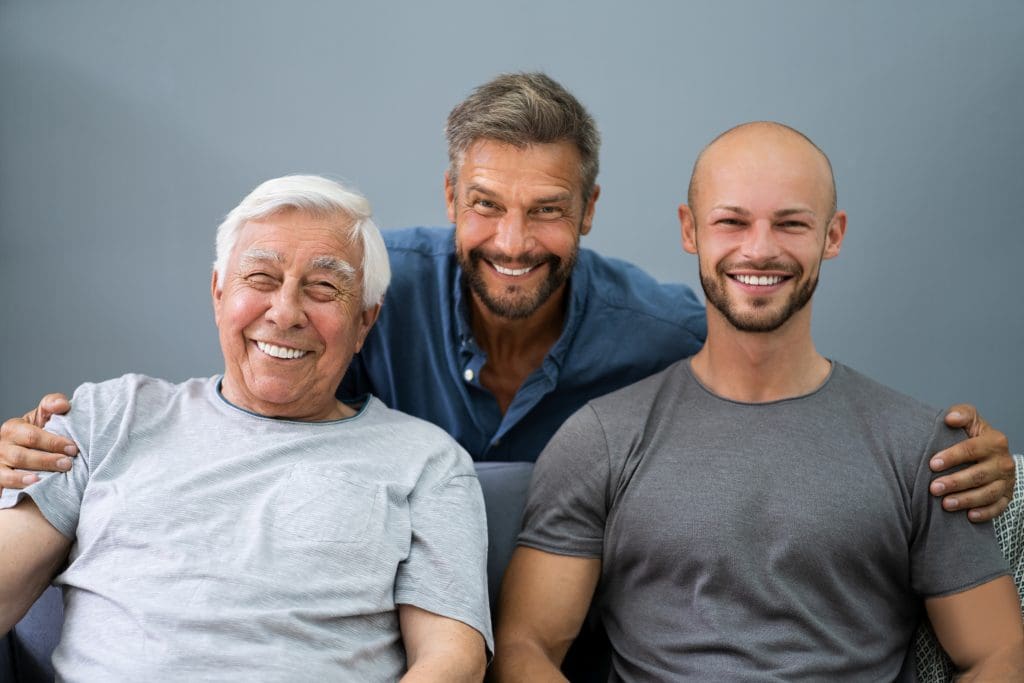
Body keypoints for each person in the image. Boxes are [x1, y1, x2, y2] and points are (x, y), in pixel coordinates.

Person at [0, 74, 1014, 521]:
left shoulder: (659, 323)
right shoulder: (365, 286)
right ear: (450, 197)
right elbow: (260, 359)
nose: (515, 243)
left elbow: (777, 371)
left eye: (549, 211)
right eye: (486, 206)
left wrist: (950, 452)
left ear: (592, 209)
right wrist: (73, 441)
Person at [493, 123, 1024, 681]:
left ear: (833, 235)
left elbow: (998, 654)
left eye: (792, 223)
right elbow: (525, 647)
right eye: (732, 221)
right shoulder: (601, 438)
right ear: (690, 229)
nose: (761, 248)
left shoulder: (926, 450)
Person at [0, 175, 491, 681]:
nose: (285, 312)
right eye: (261, 278)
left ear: (365, 321)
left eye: (323, 287)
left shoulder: (427, 461)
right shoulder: (105, 416)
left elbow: (452, 660)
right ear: (218, 293)